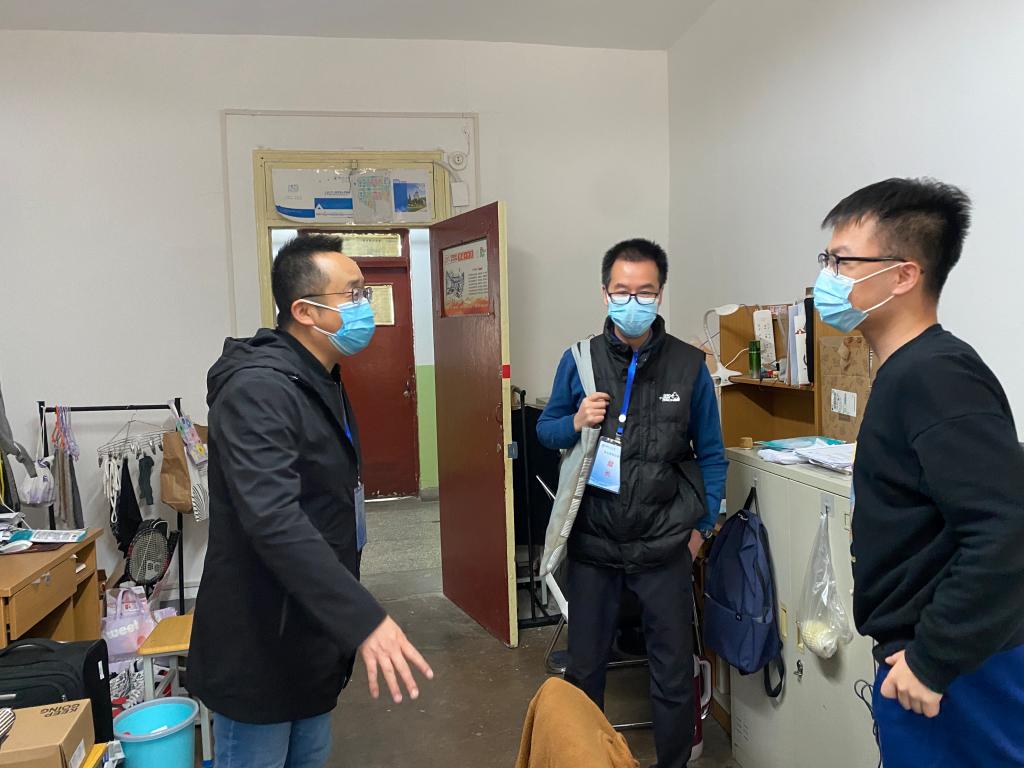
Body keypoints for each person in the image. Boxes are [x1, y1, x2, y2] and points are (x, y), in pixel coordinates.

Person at [189, 234, 433, 768]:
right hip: (260, 642)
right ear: (304, 311)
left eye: (366, 293)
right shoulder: (259, 389)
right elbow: (274, 520)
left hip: (308, 634)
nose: (365, 306)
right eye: (353, 294)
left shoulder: (317, 378)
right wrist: (364, 619)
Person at [814, 178, 1024, 767]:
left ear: (904, 275)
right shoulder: (906, 371)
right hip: (930, 658)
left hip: (959, 671)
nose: (827, 277)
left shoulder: (937, 375)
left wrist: (933, 660)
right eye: (826, 260)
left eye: (842, 262)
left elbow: (1004, 528)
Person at [537, 238, 727, 768]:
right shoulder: (579, 360)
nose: (633, 301)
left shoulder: (688, 366)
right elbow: (546, 430)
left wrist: (701, 530)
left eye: (645, 292)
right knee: (584, 673)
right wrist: (576, 421)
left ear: (660, 295)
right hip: (594, 545)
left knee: (672, 673)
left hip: (664, 547)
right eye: (622, 291)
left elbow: (712, 455)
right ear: (605, 294)